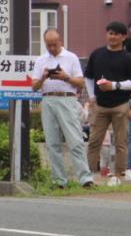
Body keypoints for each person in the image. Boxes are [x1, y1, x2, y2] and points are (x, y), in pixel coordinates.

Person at [84, 22, 131, 185]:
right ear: (106, 34)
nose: (113, 36)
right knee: (94, 140)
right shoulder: (97, 54)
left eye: (117, 34)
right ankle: (89, 175)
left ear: (124, 37)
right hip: (100, 105)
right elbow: (88, 77)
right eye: (110, 33)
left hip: (121, 105)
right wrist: (91, 96)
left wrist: (115, 85)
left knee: (121, 141)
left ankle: (119, 175)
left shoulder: (129, 58)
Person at [31, 28, 92, 187]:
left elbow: (81, 83)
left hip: (67, 98)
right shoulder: (41, 60)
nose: (51, 48)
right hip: (48, 100)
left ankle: (85, 178)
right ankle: (59, 180)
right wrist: (44, 77)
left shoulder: (71, 57)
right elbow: (34, 87)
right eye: (48, 45)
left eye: (54, 45)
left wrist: (65, 77)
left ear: (60, 42)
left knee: (75, 140)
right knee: (52, 143)